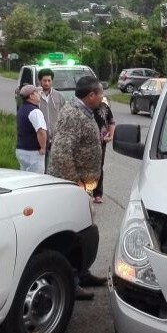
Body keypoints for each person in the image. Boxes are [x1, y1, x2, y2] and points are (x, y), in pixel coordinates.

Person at [48, 76, 108, 298]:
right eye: (100, 93)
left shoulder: (84, 110)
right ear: (91, 95)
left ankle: (82, 272)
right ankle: (70, 282)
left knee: (84, 231)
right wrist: (76, 183)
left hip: (83, 186)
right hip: (70, 186)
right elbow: (62, 152)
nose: (103, 97)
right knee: (71, 235)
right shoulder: (73, 114)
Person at [36, 68, 66, 170]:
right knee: (41, 167)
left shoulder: (59, 96)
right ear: (40, 81)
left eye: (49, 80)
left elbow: (64, 115)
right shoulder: (35, 96)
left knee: (54, 166)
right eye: (44, 80)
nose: (47, 83)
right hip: (40, 138)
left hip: (56, 137)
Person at [15, 84, 47, 173]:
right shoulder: (35, 111)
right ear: (31, 96)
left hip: (21, 150)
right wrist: (43, 147)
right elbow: (41, 131)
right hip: (33, 152)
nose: (39, 94)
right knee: (36, 180)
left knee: (25, 178)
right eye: (37, 93)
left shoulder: (21, 109)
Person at [91, 98, 116, 204]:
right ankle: (84, 191)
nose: (101, 96)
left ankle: (97, 193)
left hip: (101, 142)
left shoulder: (104, 107)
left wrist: (111, 135)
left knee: (99, 166)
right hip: (86, 143)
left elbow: (111, 121)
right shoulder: (85, 107)